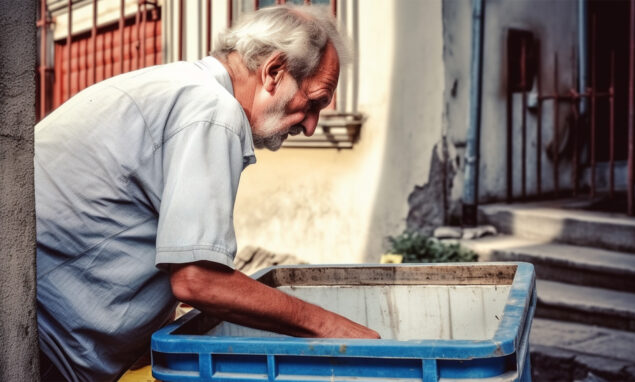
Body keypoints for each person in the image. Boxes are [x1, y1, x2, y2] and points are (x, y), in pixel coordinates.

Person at [35, 4, 379, 382]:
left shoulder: (183, 85)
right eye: (313, 101)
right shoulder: (213, 110)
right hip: (40, 350)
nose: (311, 126)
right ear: (274, 71)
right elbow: (198, 280)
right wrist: (332, 328)